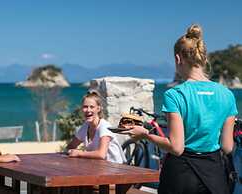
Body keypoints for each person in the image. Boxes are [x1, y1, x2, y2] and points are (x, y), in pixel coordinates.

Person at [123, 24, 238, 194]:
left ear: (178, 59)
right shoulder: (227, 94)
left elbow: (177, 147)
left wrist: (145, 135)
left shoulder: (175, 94)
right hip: (214, 176)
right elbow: (228, 147)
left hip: (181, 176)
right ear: (204, 59)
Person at [66, 91, 126, 164]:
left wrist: (79, 153)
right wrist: (71, 151)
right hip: (98, 167)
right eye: (85, 107)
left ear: (98, 109)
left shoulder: (104, 126)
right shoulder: (85, 126)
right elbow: (71, 145)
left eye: (92, 107)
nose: (88, 110)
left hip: (116, 169)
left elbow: (101, 154)